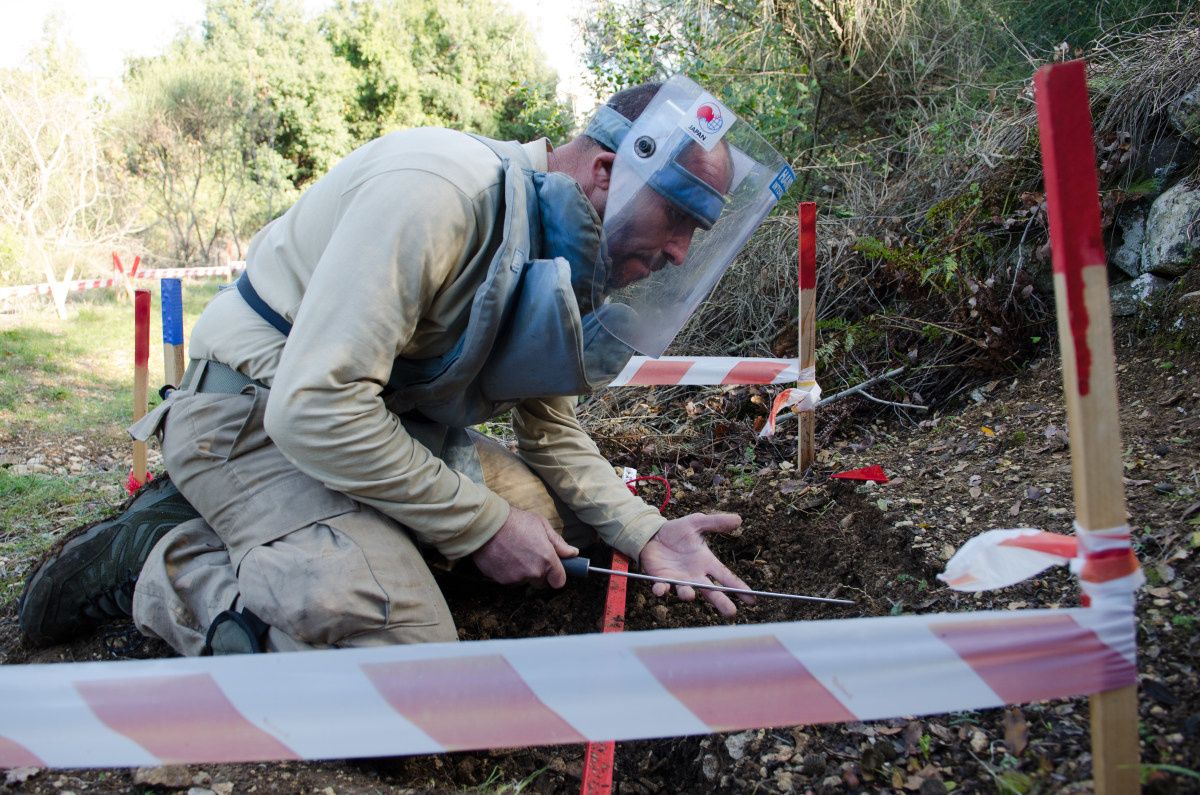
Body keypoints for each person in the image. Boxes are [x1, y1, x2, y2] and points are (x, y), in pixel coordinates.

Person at [20, 75, 795, 654]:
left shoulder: (568, 247)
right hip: (252, 415)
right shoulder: (440, 193)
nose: (678, 253)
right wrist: (483, 524)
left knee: (549, 522)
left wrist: (647, 533)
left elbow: (550, 430)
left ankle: (289, 534)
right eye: (680, 219)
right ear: (607, 172)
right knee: (411, 664)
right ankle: (163, 561)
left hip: (374, 428)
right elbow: (313, 407)